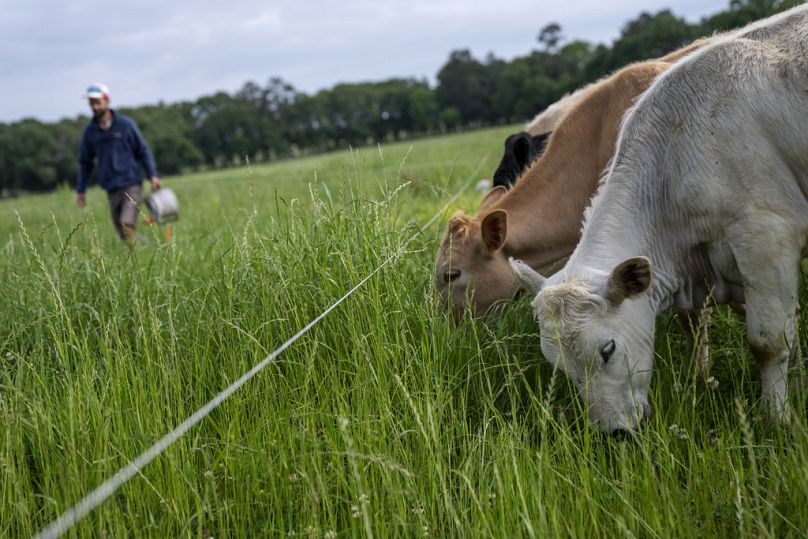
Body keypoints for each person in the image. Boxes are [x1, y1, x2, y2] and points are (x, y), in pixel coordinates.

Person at [76, 83, 161, 243]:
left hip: (132, 184)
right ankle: (146, 250)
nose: (94, 106)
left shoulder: (125, 124)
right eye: (91, 103)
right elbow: (85, 162)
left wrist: (152, 175)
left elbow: (142, 150)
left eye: (97, 102)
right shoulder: (90, 132)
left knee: (126, 223)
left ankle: (143, 252)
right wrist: (81, 190)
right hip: (111, 187)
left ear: (107, 100)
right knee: (123, 235)